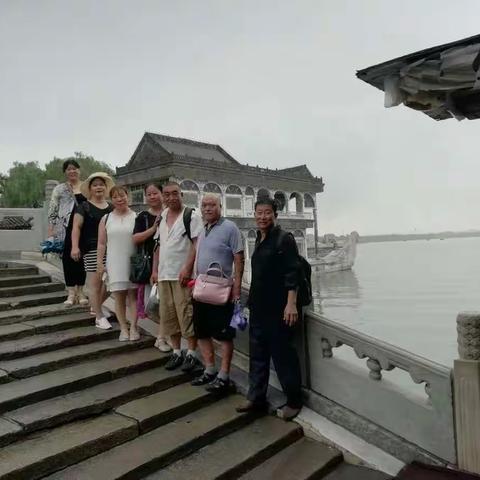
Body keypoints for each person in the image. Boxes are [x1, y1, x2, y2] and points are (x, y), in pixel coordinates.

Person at [236, 197, 303, 421]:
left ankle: (294, 401)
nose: (262, 217)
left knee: (283, 357)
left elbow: (292, 273)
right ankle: (256, 398)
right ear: (254, 214)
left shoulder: (284, 239)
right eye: (259, 213)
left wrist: (291, 303)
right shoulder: (258, 237)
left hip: (278, 309)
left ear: (275, 215)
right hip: (258, 308)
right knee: (258, 355)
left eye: (267, 213)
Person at [191, 194, 244, 394]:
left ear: (220, 206)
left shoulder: (230, 228)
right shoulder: (202, 228)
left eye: (212, 205)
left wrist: (237, 290)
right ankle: (210, 369)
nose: (207, 208)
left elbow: (239, 259)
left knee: (224, 335)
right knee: (201, 331)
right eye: (204, 205)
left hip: (222, 290)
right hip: (201, 288)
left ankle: (224, 375)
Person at [151, 181, 202, 371]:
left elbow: (197, 244)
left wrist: (188, 268)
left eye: (175, 193)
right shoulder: (162, 216)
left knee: (186, 313)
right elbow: (157, 245)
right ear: (163, 197)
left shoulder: (191, 215)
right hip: (164, 275)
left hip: (182, 275)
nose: (171, 198)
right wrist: (155, 270)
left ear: (182, 195)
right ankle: (176, 352)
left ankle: (191, 353)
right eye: (167, 194)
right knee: (169, 315)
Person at [71, 172, 114, 330]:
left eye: (101, 184)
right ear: (90, 188)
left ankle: (96, 306)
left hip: (112, 249)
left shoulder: (111, 206)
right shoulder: (84, 206)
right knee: (96, 285)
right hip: (92, 249)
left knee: (111, 284)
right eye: (95, 185)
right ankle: (99, 316)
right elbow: (76, 227)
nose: (98, 187)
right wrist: (75, 247)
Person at [132, 183, 171, 352]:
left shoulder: (171, 214)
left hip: (170, 263)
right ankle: (162, 337)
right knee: (156, 303)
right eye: (149, 194)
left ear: (162, 194)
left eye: (155, 193)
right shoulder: (142, 217)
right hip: (151, 265)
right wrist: (154, 228)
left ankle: (162, 337)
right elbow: (135, 238)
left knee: (167, 303)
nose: (152, 196)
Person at [97, 185, 139, 341]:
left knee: (133, 297)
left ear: (128, 197)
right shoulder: (106, 218)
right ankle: (123, 329)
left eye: (122, 195)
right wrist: (100, 263)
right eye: (115, 197)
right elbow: (101, 243)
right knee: (119, 297)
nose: (119, 199)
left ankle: (134, 327)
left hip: (132, 262)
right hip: (114, 262)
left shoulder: (137, 217)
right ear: (111, 199)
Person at [47, 159, 87, 306]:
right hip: (64, 229)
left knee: (82, 260)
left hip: (84, 229)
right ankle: (71, 292)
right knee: (68, 261)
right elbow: (52, 211)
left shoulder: (86, 187)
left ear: (79, 170)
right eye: (69, 169)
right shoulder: (59, 189)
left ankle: (81, 291)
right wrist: (51, 233)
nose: (72, 171)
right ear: (65, 172)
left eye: (74, 168)